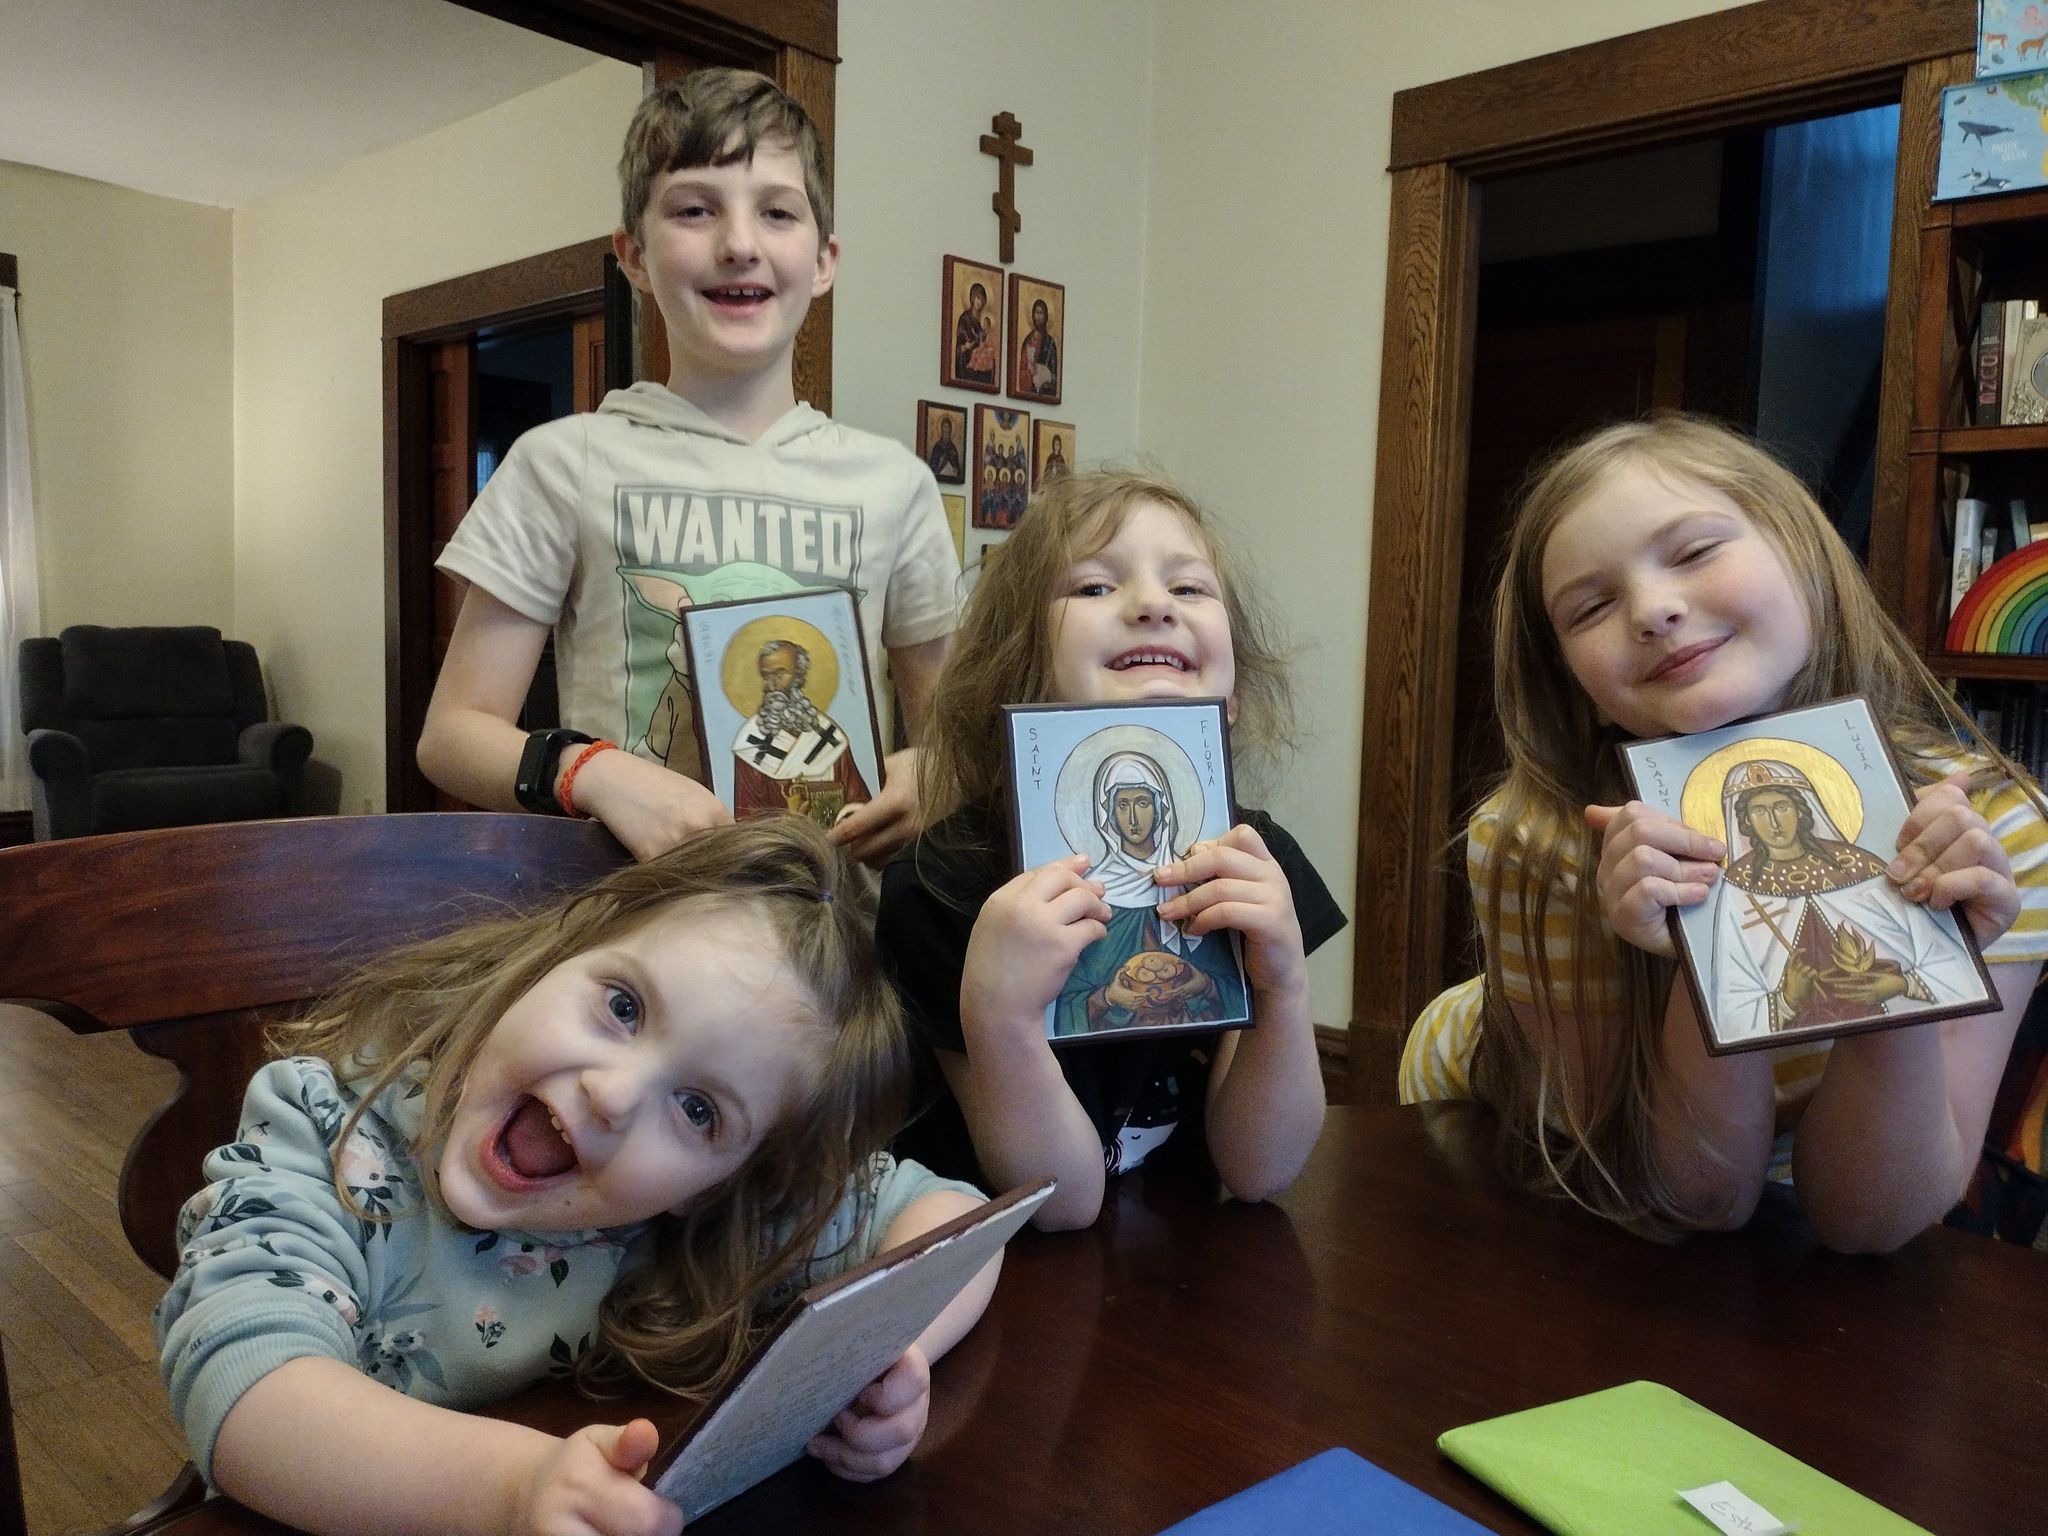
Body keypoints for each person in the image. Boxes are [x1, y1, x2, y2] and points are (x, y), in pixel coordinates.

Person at [156, 819, 995, 1536]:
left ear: (715, 1185)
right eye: (624, 1007)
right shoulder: (323, 1129)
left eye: (697, 1110)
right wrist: (513, 1490)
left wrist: (882, 1359)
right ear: (556, 954)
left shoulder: (689, 1214)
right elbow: (244, 1391)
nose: (613, 1093)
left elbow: (954, 1221)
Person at [1398, 415, 2048, 1253]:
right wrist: (1695, 952)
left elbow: (1870, 1222)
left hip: (1811, 1164)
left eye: (1696, 550)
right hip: (1532, 1133)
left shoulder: (1997, 830)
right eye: (1591, 606)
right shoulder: (1535, 841)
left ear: (1806, 556)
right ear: (1572, 682)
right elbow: (1696, 1200)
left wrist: (1909, 964)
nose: (1653, 611)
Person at [419, 69, 958, 867]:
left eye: (777, 212)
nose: (739, 243)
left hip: (838, 925)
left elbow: (952, 735)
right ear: (634, 255)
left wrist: (930, 772)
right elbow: (453, 734)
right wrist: (592, 772)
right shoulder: (563, 464)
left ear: (823, 260)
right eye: (695, 210)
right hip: (632, 918)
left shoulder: (895, 484)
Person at [876, 470, 1347, 1230]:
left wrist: (1284, 989)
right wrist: (999, 1015)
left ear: (1231, 696)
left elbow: (1261, 1170)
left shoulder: (1255, 862)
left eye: (1189, 588)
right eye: (1094, 586)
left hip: (1184, 1259)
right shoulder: (941, 884)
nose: (1154, 604)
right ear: (1016, 665)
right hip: (993, 1261)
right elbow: (1060, 1207)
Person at [1704, 759, 1981, 1037]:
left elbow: (1948, 963)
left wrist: (1900, 985)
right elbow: (1731, 1005)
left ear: (1801, 811)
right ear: (1746, 822)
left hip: (1902, 1042)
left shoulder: (1860, 868)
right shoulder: (1740, 887)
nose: (1774, 822)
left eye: (1782, 807)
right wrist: (1786, 999)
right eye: (1759, 812)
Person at [1054, 748, 1246, 1036]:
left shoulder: (1197, 886)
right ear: (1108, 813)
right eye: (1122, 805)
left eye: (1142, 802)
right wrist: (1108, 997)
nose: (1132, 817)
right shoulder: (1089, 893)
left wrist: (1205, 985)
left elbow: (1238, 996)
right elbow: (1064, 1007)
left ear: (1160, 808)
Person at [731, 637, 872, 824]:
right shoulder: (750, 744)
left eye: (780, 673)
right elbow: (748, 819)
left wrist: (847, 820)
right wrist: (790, 820)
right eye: (766, 676)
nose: (772, 686)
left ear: (799, 676)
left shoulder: (829, 736)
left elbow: (859, 800)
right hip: (780, 842)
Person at [954, 283, 996, 387]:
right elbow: (960, 344)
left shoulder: (983, 320)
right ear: (972, 298)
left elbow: (983, 339)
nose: (979, 302)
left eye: (982, 299)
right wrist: (965, 347)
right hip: (967, 361)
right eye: (977, 298)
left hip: (981, 356)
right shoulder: (964, 319)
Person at [1018, 297, 1058, 397]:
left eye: (1041, 313)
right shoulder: (1027, 341)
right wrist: (1030, 373)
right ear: (1033, 316)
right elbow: (1022, 369)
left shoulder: (1050, 343)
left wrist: (1045, 376)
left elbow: (1054, 375)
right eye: (1036, 313)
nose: (1039, 317)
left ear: (1046, 317)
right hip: (1029, 388)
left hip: (1044, 390)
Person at [926, 415, 963, 481]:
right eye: (944, 427)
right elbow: (931, 468)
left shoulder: (953, 448)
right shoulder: (937, 447)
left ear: (951, 429)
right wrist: (940, 463)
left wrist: (956, 470)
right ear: (941, 429)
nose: (946, 430)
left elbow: (958, 471)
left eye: (948, 427)